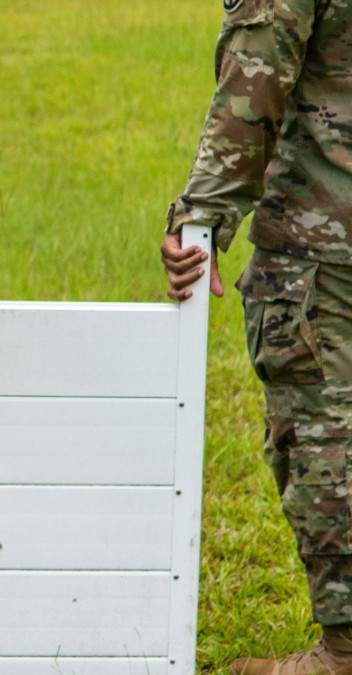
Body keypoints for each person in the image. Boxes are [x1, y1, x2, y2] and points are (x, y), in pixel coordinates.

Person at [161, 1, 352, 673]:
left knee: (324, 431)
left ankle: (344, 650)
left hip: (326, 231)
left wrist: (202, 218)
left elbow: (258, 72)